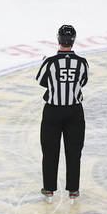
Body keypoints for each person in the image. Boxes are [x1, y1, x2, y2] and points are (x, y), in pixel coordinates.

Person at [36, 24, 88, 203]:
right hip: (74, 112)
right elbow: (83, 81)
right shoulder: (82, 63)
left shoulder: (49, 62)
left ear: (58, 40)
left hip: (52, 112)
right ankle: (73, 189)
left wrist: (45, 62)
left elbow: (42, 82)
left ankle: (49, 189)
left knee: (50, 151)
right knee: (74, 151)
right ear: (73, 41)